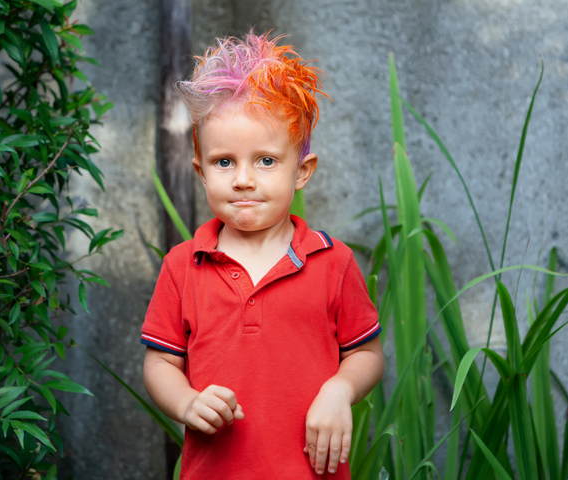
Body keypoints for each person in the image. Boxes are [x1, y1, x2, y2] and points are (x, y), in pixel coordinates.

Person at [141, 31, 385, 479]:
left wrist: (339, 390)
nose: (244, 180)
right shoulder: (182, 265)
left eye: (267, 161)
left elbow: (367, 353)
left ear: (302, 172)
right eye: (224, 162)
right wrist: (187, 402)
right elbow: (159, 363)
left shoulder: (333, 263)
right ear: (200, 171)